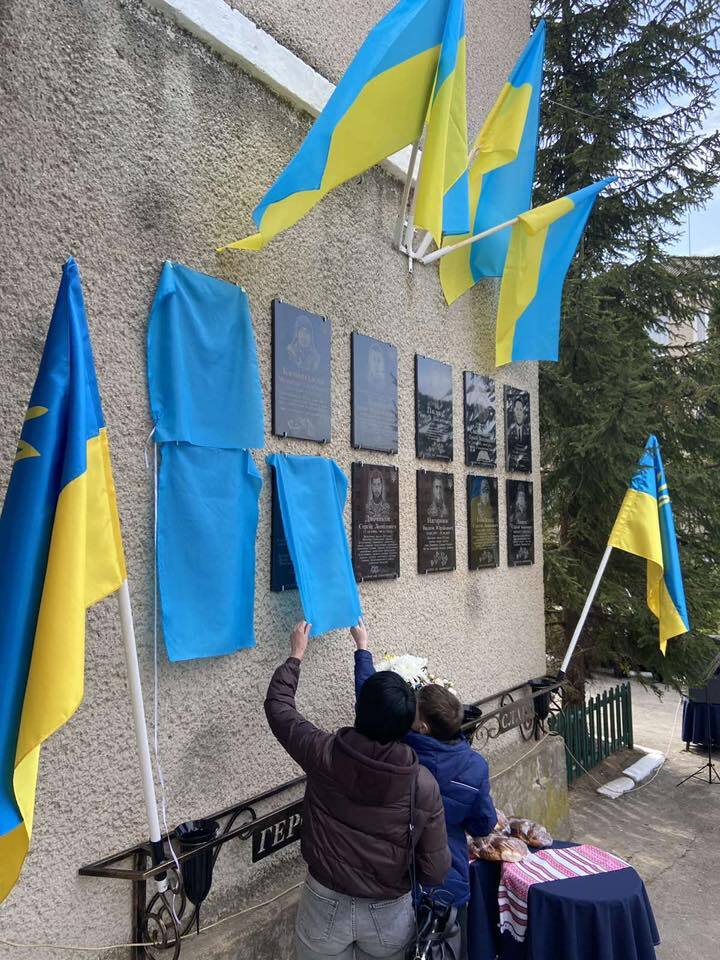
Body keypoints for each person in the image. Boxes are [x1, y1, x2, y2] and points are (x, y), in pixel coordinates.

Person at [265, 621, 451, 960]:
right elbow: (434, 871)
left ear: (359, 709)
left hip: (324, 904)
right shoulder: (422, 784)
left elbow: (280, 709)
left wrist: (296, 656)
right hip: (389, 915)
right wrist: (361, 648)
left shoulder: (324, 753)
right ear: (408, 726)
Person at [352, 621, 497, 960]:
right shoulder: (474, 767)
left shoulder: (400, 746)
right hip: (448, 881)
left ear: (423, 726)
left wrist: (362, 649)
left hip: (398, 879)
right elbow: (483, 825)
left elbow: (369, 699)